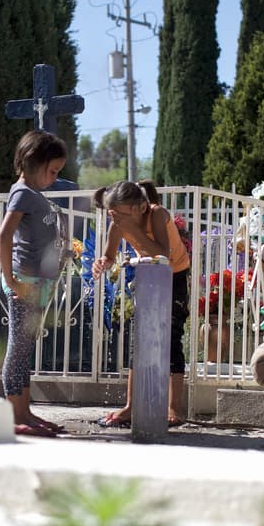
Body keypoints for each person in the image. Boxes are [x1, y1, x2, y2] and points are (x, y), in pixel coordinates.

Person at [91, 180, 191, 427]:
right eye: (114, 215)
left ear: (140, 207)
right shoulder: (119, 223)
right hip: (147, 275)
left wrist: (132, 231)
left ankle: (174, 408)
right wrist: (102, 262)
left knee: (171, 337)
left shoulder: (156, 214)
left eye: (121, 214)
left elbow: (162, 255)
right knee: (139, 339)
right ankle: (131, 405)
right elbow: (110, 255)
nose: (117, 220)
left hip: (174, 274)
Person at [0, 130, 69, 438]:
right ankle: (14, 414)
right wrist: (11, 280)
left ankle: (25, 411)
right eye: (51, 171)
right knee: (18, 347)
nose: (54, 177)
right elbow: (4, 235)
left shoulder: (34, 194)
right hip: (24, 282)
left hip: (37, 282)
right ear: (32, 162)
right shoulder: (23, 192)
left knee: (24, 349)